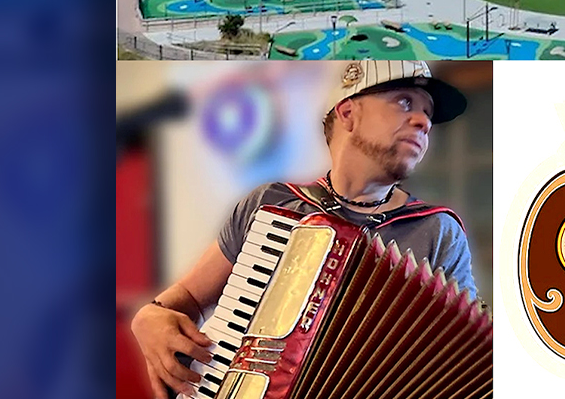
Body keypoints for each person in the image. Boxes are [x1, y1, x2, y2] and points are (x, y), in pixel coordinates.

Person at [130, 60, 475, 399]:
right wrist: (147, 318)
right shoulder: (271, 204)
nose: (423, 122)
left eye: (428, 114)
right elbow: (184, 302)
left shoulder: (437, 231)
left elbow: (466, 366)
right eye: (404, 102)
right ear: (347, 113)